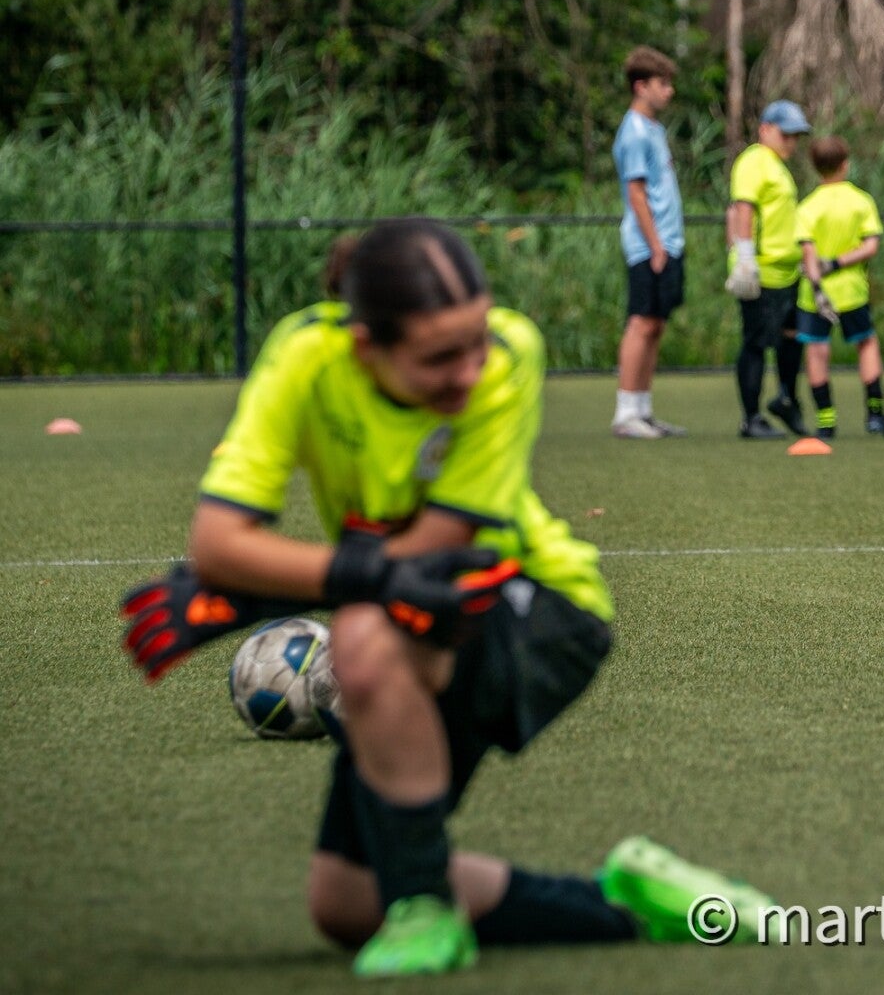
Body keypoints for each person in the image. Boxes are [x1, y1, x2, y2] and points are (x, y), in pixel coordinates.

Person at [119, 218, 775, 977]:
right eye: (439, 356)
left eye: (474, 342)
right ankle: (630, 901)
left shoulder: (509, 353)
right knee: (346, 903)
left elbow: (435, 550)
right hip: (416, 613)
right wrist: (262, 577)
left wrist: (260, 594)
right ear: (366, 347)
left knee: (363, 631)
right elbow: (216, 541)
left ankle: (427, 906)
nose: (469, 371)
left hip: (543, 608)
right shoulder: (306, 356)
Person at [796, 134, 884, 439]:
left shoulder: (808, 207)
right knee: (866, 344)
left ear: (815, 167)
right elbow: (870, 246)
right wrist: (838, 263)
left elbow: (808, 254)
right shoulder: (860, 201)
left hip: (815, 295)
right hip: (852, 291)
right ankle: (875, 415)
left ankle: (826, 421)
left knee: (817, 350)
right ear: (845, 164)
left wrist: (818, 288)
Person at [610, 46, 688, 438]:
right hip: (649, 246)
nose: (669, 91)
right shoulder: (634, 132)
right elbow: (636, 193)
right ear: (641, 87)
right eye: (662, 83)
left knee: (655, 325)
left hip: (668, 243)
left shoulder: (654, 129)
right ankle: (625, 413)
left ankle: (642, 410)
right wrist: (656, 245)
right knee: (641, 322)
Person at [726, 100, 812, 439]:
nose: (791, 142)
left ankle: (785, 399)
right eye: (785, 134)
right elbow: (743, 208)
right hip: (761, 271)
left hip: (787, 271)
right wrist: (745, 258)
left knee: (792, 337)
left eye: (796, 136)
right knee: (757, 343)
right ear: (765, 129)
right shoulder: (754, 161)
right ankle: (751, 418)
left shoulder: (776, 165)